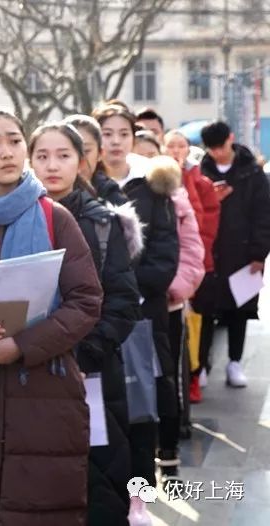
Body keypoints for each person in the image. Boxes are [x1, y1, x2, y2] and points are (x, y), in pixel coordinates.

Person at [0, 107, 103, 526]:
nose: (7, 152)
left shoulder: (55, 217)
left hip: (43, 391)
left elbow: (86, 300)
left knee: (39, 508)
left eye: (15, 141)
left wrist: (22, 345)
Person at [30, 122, 142, 526]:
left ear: (82, 162)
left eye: (63, 155)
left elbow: (124, 302)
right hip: (26, 374)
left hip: (91, 371)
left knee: (98, 479)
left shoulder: (102, 223)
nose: (52, 165)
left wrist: (82, 353)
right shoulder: (20, 219)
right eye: (42, 156)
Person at [91, 102, 179, 490]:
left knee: (143, 401)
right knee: (101, 409)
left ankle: (142, 489)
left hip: (144, 313)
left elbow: (165, 256)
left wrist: (124, 287)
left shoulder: (151, 189)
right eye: (105, 134)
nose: (114, 142)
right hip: (94, 315)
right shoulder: (84, 187)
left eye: (122, 134)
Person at [194, 121, 270, 388]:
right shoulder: (201, 171)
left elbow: (264, 215)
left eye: (221, 146)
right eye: (212, 149)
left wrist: (260, 253)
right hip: (209, 252)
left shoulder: (252, 172)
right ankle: (200, 364)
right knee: (204, 308)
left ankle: (234, 362)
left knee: (240, 309)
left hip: (243, 252)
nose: (218, 153)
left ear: (231, 139)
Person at [151, 155, 204, 482]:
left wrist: (176, 287)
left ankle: (168, 456)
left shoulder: (168, 191)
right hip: (128, 307)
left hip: (165, 303)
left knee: (165, 380)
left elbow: (192, 247)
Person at [164, 129, 221, 404]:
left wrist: (195, 262)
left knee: (196, 321)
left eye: (180, 145)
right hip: (167, 267)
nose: (176, 150)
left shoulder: (200, 181)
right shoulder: (158, 179)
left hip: (194, 263)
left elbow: (206, 227)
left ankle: (195, 373)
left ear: (188, 149)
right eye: (170, 145)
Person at [65, 115, 128, 206]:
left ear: (100, 153)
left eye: (85, 151)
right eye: (65, 154)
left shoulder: (112, 195)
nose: (78, 159)